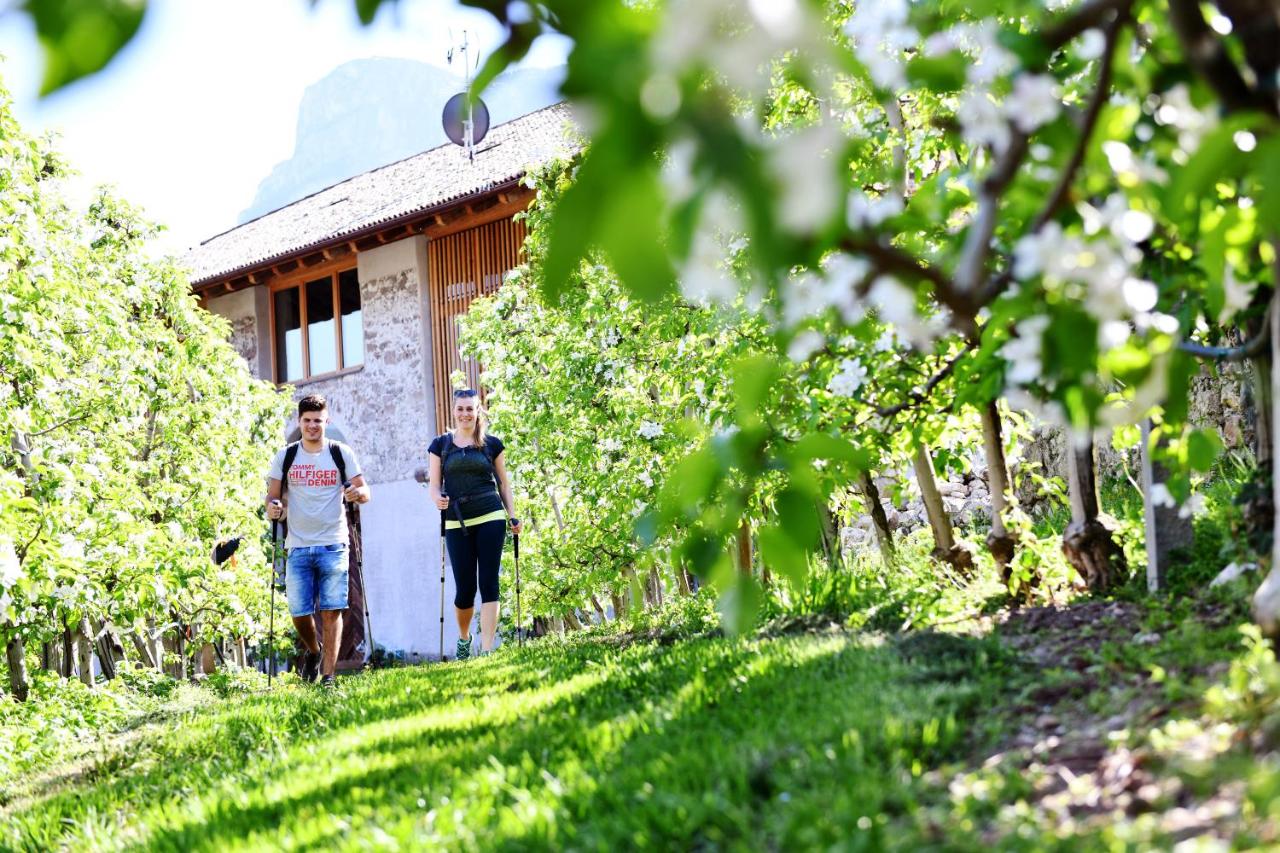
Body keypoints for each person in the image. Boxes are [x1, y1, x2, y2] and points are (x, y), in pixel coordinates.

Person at [265, 394, 370, 688]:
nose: (313, 426)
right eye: (307, 421)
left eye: (318, 421)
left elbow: (366, 492)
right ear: (300, 422)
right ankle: (314, 649)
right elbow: (272, 497)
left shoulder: (340, 453)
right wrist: (273, 508)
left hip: (334, 542)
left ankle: (328, 676)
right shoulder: (286, 456)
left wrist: (356, 495)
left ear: (327, 421)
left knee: (332, 609)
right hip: (297, 544)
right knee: (298, 611)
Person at [427, 389, 521, 659]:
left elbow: (503, 483)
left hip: (491, 515)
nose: (465, 413)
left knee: (489, 582)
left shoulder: (491, 444)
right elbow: (434, 486)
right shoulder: (441, 445)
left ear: (478, 410)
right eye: (461, 408)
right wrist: (438, 499)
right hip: (457, 521)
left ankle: (488, 649)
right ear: (454, 411)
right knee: (465, 588)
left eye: (470, 408)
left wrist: (512, 515)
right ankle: (464, 637)